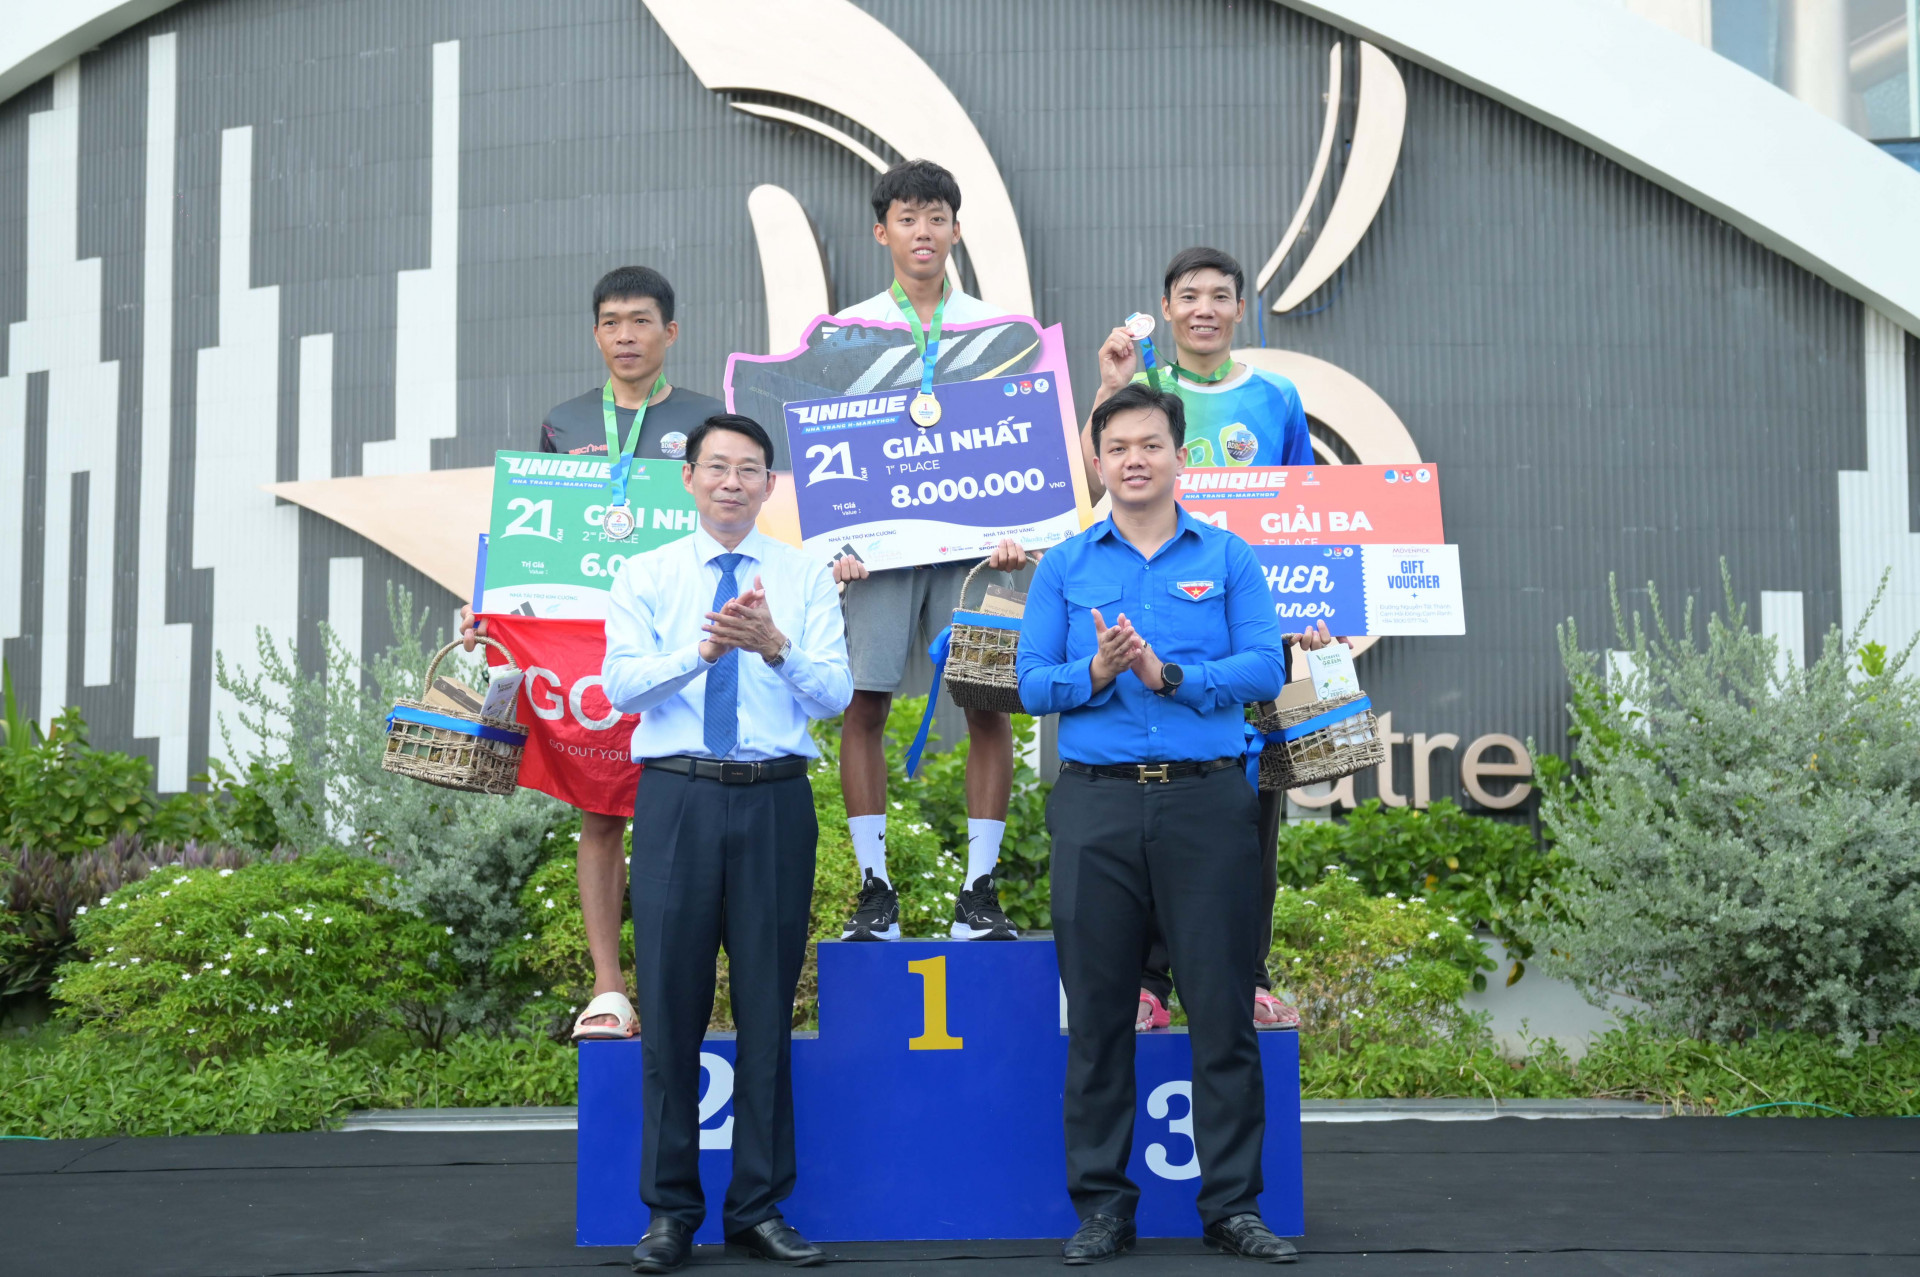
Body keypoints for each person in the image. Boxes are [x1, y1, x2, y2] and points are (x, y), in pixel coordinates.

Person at [1020, 382, 1323, 1265]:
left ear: (1179, 455)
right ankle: (1103, 1207)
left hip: (1206, 801)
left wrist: (1171, 676)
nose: (1136, 459)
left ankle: (1232, 1206)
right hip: (1096, 802)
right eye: (1118, 447)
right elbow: (1031, 681)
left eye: (1151, 444)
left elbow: (1265, 666)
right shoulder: (1065, 565)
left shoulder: (1227, 557)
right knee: (1102, 1013)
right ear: (1099, 460)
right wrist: (1098, 669)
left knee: (1221, 1011)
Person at [602, 413, 851, 1273]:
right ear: (690, 478)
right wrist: (701, 647)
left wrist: (774, 646)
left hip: (776, 801)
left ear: (771, 485)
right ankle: (670, 1211)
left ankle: (758, 1206)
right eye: (718, 467)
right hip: (678, 797)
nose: (733, 482)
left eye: (750, 469)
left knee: (766, 1009)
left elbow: (835, 693)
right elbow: (623, 686)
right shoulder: (646, 572)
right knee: (670, 1005)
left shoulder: (804, 572)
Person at [461, 266, 728, 1042]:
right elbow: (524, 538)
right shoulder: (563, 420)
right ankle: (609, 989)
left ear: (670, 333)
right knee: (601, 810)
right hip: (588, 647)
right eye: (610, 322)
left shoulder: (708, 418)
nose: (625, 336)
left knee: (689, 813)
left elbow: (731, 508)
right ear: (595, 333)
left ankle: (686, 992)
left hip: (685, 638)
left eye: (640, 321)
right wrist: (491, 609)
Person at [1086, 247, 1319, 1034]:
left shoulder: (1276, 397)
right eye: (1189, 296)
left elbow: (1311, 511)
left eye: (1221, 295)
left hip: (1248, 642)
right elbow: (1093, 489)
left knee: (1254, 802)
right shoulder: (1144, 395)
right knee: (1149, 797)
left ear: (1240, 310)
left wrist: (1318, 605)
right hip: (1148, 633)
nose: (1205, 309)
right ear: (1167, 305)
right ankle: (1150, 979)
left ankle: (1245, 972)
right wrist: (1111, 388)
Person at [831, 159, 1027, 943]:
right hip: (879, 547)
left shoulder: (997, 332)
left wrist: (1021, 526)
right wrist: (838, 540)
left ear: (956, 229)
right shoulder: (846, 333)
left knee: (986, 698)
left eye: (936, 216)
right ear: (883, 231)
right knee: (864, 701)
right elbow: (825, 450)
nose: (923, 231)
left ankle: (980, 892)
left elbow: (1021, 436)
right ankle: (873, 891)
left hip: (972, 546)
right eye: (907, 218)